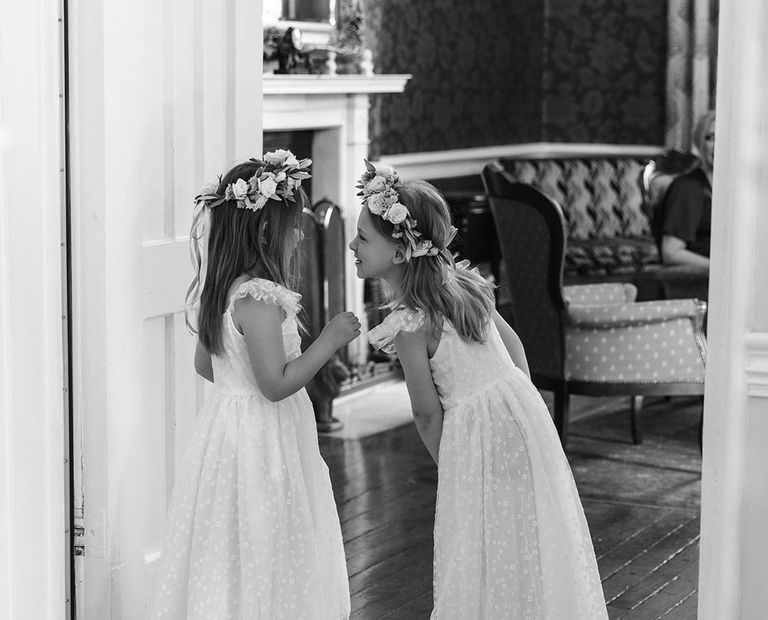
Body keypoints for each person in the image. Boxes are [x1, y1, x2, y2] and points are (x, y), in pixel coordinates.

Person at [351, 160, 608, 619]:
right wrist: (526, 406)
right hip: (521, 414)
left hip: (475, 438)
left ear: (398, 252)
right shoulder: (465, 284)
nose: (352, 244)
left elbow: (427, 414)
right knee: (531, 526)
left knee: (478, 539)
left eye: (363, 238)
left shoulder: (412, 323)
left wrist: (452, 466)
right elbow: (513, 346)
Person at [150, 151, 356, 619]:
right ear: (266, 233)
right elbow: (275, 386)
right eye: (293, 226)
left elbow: (207, 365)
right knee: (267, 531)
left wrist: (236, 383)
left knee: (230, 537)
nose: (300, 234)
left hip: (227, 436)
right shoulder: (259, 298)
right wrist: (329, 341)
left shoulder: (222, 291)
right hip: (264, 439)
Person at [660, 111, 715, 270]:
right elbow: (671, 253)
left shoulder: (744, 190)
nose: (718, 144)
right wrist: (721, 271)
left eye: (726, 138)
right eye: (710, 137)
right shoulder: (689, 187)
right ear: (700, 144)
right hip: (706, 281)